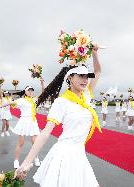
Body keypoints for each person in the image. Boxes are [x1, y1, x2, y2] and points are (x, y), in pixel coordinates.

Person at [15, 44, 102, 187]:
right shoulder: (61, 102)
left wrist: (94, 53)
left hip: (79, 154)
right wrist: (26, 163)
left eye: (87, 76)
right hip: (64, 156)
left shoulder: (86, 97)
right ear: (70, 78)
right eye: (81, 76)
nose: (85, 80)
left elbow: (97, 71)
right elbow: (45, 133)